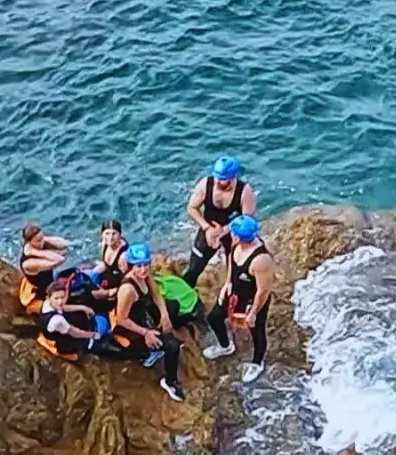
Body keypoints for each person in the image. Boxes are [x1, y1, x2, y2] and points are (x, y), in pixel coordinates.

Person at [104, 243, 186, 401]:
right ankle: (169, 381)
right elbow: (122, 319)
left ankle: (156, 343)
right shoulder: (128, 289)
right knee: (172, 347)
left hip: (143, 315)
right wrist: (146, 333)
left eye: (146, 264)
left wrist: (164, 315)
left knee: (173, 306)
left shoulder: (145, 275)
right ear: (130, 266)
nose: (143, 269)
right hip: (131, 330)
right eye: (138, 266)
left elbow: (156, 293)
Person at [202, 215, 276, 379]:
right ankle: (226, 345)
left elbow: (263, 290)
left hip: (252, 299)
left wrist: (253, 312)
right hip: (235, 292)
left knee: (256, 331)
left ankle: (257, 362)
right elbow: (231, 261)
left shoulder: (261, 260)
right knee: (214, 317)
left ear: (240, 236)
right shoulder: (236, 244)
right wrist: (227, 283)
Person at [185, 156, 257, 283]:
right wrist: (206, 228)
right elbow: (192, 208)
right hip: (209, 228)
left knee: (235, 272)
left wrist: (224, 231)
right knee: (194, 268)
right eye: (217, 177)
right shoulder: (206, 184)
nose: (218, 181)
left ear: (233, 177)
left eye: (223, 179)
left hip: (234, 232)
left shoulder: (245, 192)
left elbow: (246, 220)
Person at [17, 224, 70, 314]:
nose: (41, 243)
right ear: (29, 243)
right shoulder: (28, 263)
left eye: (42, 238)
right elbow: (59, 260)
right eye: (38, 241)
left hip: (50, 284)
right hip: (43, 294)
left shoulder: (40, 245)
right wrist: (34, 251)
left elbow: (65, 244)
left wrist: (44, 239)